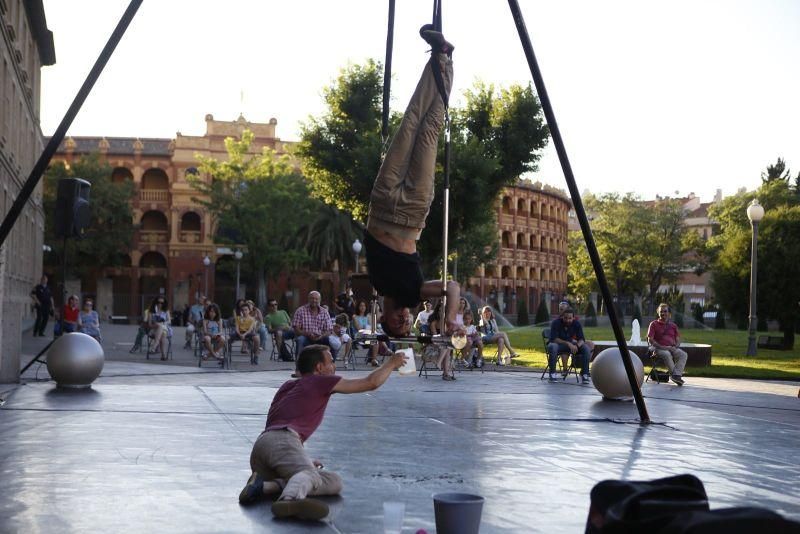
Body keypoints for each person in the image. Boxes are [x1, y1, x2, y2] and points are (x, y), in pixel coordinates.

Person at [364, 27, 463, 338]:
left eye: (397, 325)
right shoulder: (415, 294)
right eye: (405, 324)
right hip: (412, 213)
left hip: (381, 206)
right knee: (431, 128)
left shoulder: (377, 287)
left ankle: (438, 55)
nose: (403, 320)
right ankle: (444, 59)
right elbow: (453, 287)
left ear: (383, 319)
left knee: (409, 123)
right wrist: (449, 317)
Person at [238, 345, 407, 521]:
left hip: (261, 448)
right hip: (282, 441)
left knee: (333, 481)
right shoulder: (320, 381)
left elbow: (277, 427)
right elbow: (370, 382)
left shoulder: (287, 386)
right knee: (310, 475)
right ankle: (290, 500)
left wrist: (300, 458)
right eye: (331, 362)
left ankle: (262, 486)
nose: (334, 367)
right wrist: (391, 363)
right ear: (319, 368)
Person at [647, 303, 688, 385]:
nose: (663, 313)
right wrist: (662, 347)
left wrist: (675, 346)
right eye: (661, 311)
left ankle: (676, 375)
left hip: (671, 348)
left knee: (683, 354)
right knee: (666, 354)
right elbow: (650, 339)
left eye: (665, 311)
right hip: (659, 348)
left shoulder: (673, 326)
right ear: (658, 313)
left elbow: (678, 340)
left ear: (669, 313)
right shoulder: (653, 324)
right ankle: (675, 376)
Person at [547, 307, 592, 383]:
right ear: (562, 317)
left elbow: (581, 339)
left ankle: (584, 374)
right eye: (565, 318)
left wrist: (576, 346)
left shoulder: (576, 324)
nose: (568, 320)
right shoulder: (556, 323)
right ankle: (552, 374)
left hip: (572, 346)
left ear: (573, 318)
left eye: (570, 318)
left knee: (586, 348)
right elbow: (554, 339)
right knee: (552, 346)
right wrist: (568, 343)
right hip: (559, 345)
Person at [292, 291, 337, 360]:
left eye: (316, 299)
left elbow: (329, 330)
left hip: (321, 337)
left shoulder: (324, 312)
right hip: (305, 337)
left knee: (332, 341)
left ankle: (331, 365)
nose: (314, 300)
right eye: (312, 298)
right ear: (308, 299)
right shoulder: (300, 311)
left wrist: (321, 336)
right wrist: (308, 334)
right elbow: (296, 329)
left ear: (320, 300)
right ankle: (299, 366)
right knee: (300, 340)